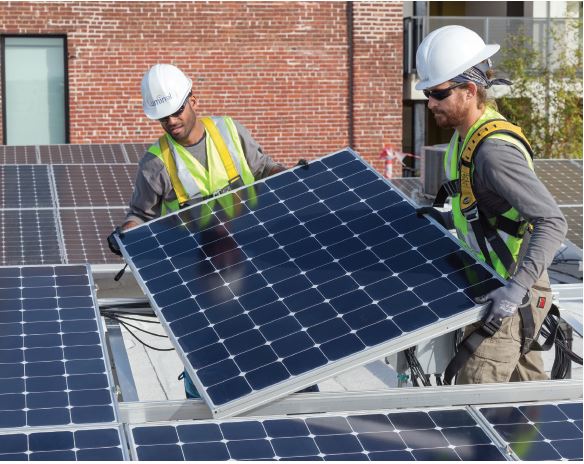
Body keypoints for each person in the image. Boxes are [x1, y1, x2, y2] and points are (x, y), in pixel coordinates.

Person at [107, 63, 318, 397]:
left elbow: (266, 169)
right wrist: (125, 234)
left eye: (175, 111)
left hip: (256, 260)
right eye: (163, 118)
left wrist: (292, 176)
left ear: (194, 100)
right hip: (200, 277)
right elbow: (140, 215)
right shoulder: (155, 162)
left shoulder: (230, 131)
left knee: (284, 347)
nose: (171, 122)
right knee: (210, 366)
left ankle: (302, 401)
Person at [414, 26, 567, 384]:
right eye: (427, 94)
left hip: (511, 291)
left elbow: (551, 221)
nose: (430, 103)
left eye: (438, 93)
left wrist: (515, 291)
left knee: (475, 402)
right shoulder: (465, 137)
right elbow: (481, 208)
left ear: (469, 90)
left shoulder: (494, 153)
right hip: (498, 283)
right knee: (526, 404)